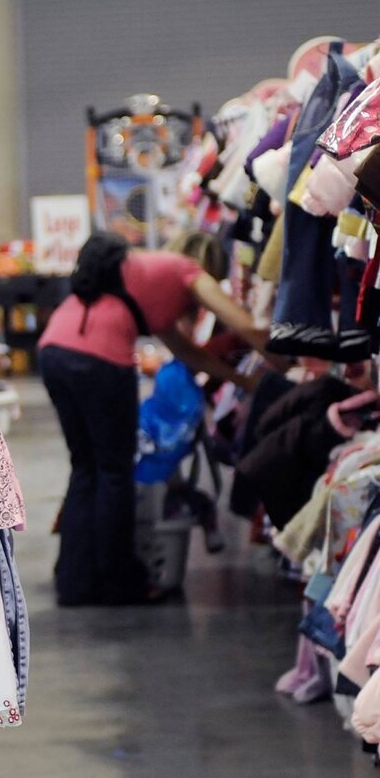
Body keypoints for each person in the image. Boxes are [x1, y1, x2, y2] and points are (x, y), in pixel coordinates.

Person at [37, 230, 272, 607]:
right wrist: (280, 360)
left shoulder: (143, 273)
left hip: (54, 350)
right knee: (114, 473)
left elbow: (187, 353)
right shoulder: (186, 272)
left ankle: (75, 582)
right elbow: (245, 324)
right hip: (101, 359)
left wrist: (243, 380)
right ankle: (119, 584)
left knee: (86, 469)